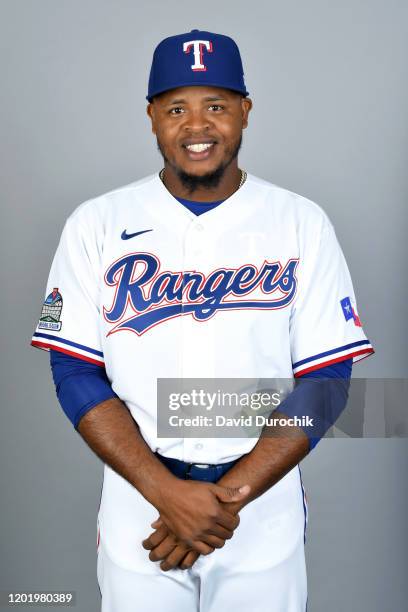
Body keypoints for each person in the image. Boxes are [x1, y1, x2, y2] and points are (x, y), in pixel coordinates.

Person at [31, 29, 374, 612]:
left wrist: (227, 500)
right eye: (176, 108)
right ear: (151, 117)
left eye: (215, 105)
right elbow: (74, 373)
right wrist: (165, 492)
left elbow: (327, 381)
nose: (197, 127)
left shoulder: (299, 222)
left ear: (245, 111)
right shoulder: (95, 223)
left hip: (262, 505)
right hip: (139, 500)